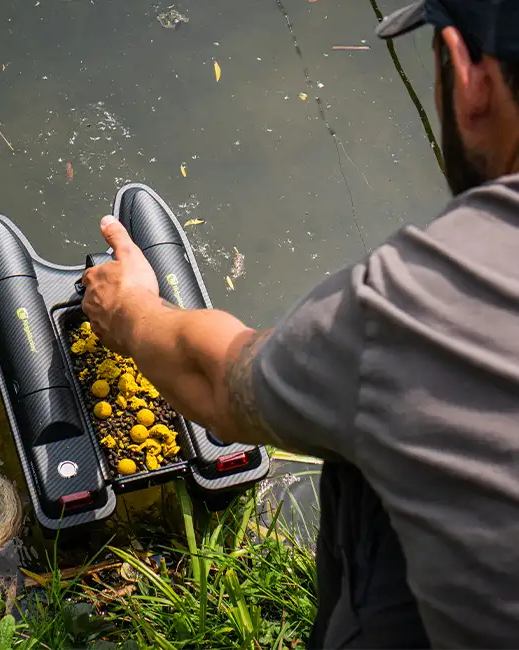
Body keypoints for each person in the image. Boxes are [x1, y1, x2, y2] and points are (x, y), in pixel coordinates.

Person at [82, 0, 519, 646]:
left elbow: (222, 388)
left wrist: (130, 309)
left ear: (465, 72)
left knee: (370, 439)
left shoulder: (425, 303)